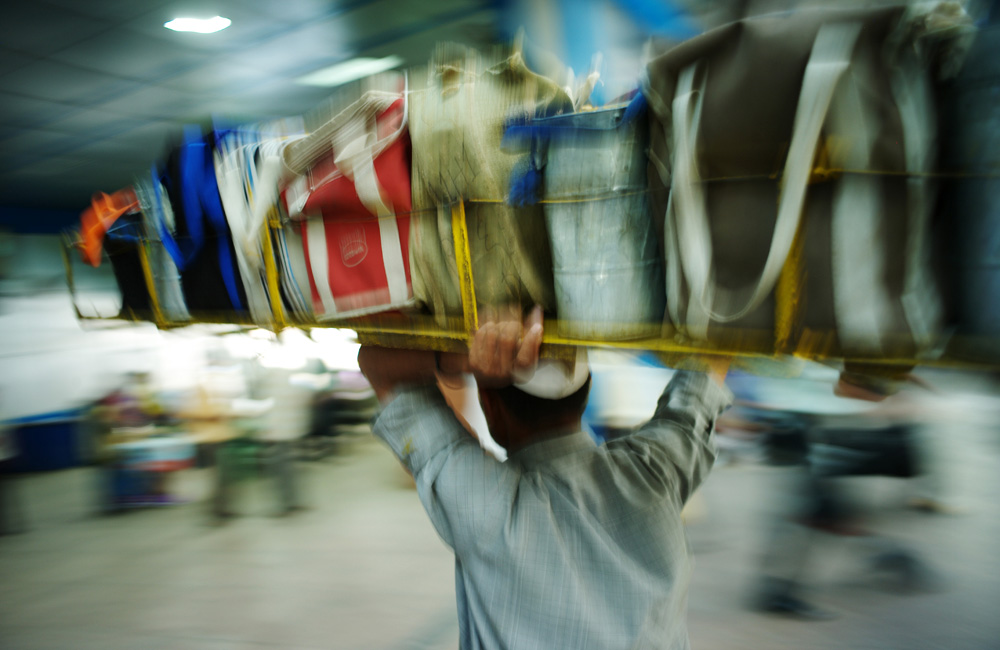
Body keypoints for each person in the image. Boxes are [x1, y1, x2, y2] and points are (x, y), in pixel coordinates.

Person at [358, 307, 731, 649]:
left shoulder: (488, 510)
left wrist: (466, 356)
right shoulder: (655, 472)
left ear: (489, 406)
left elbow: (376, 362)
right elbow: (708, 368)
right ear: (584, 394)